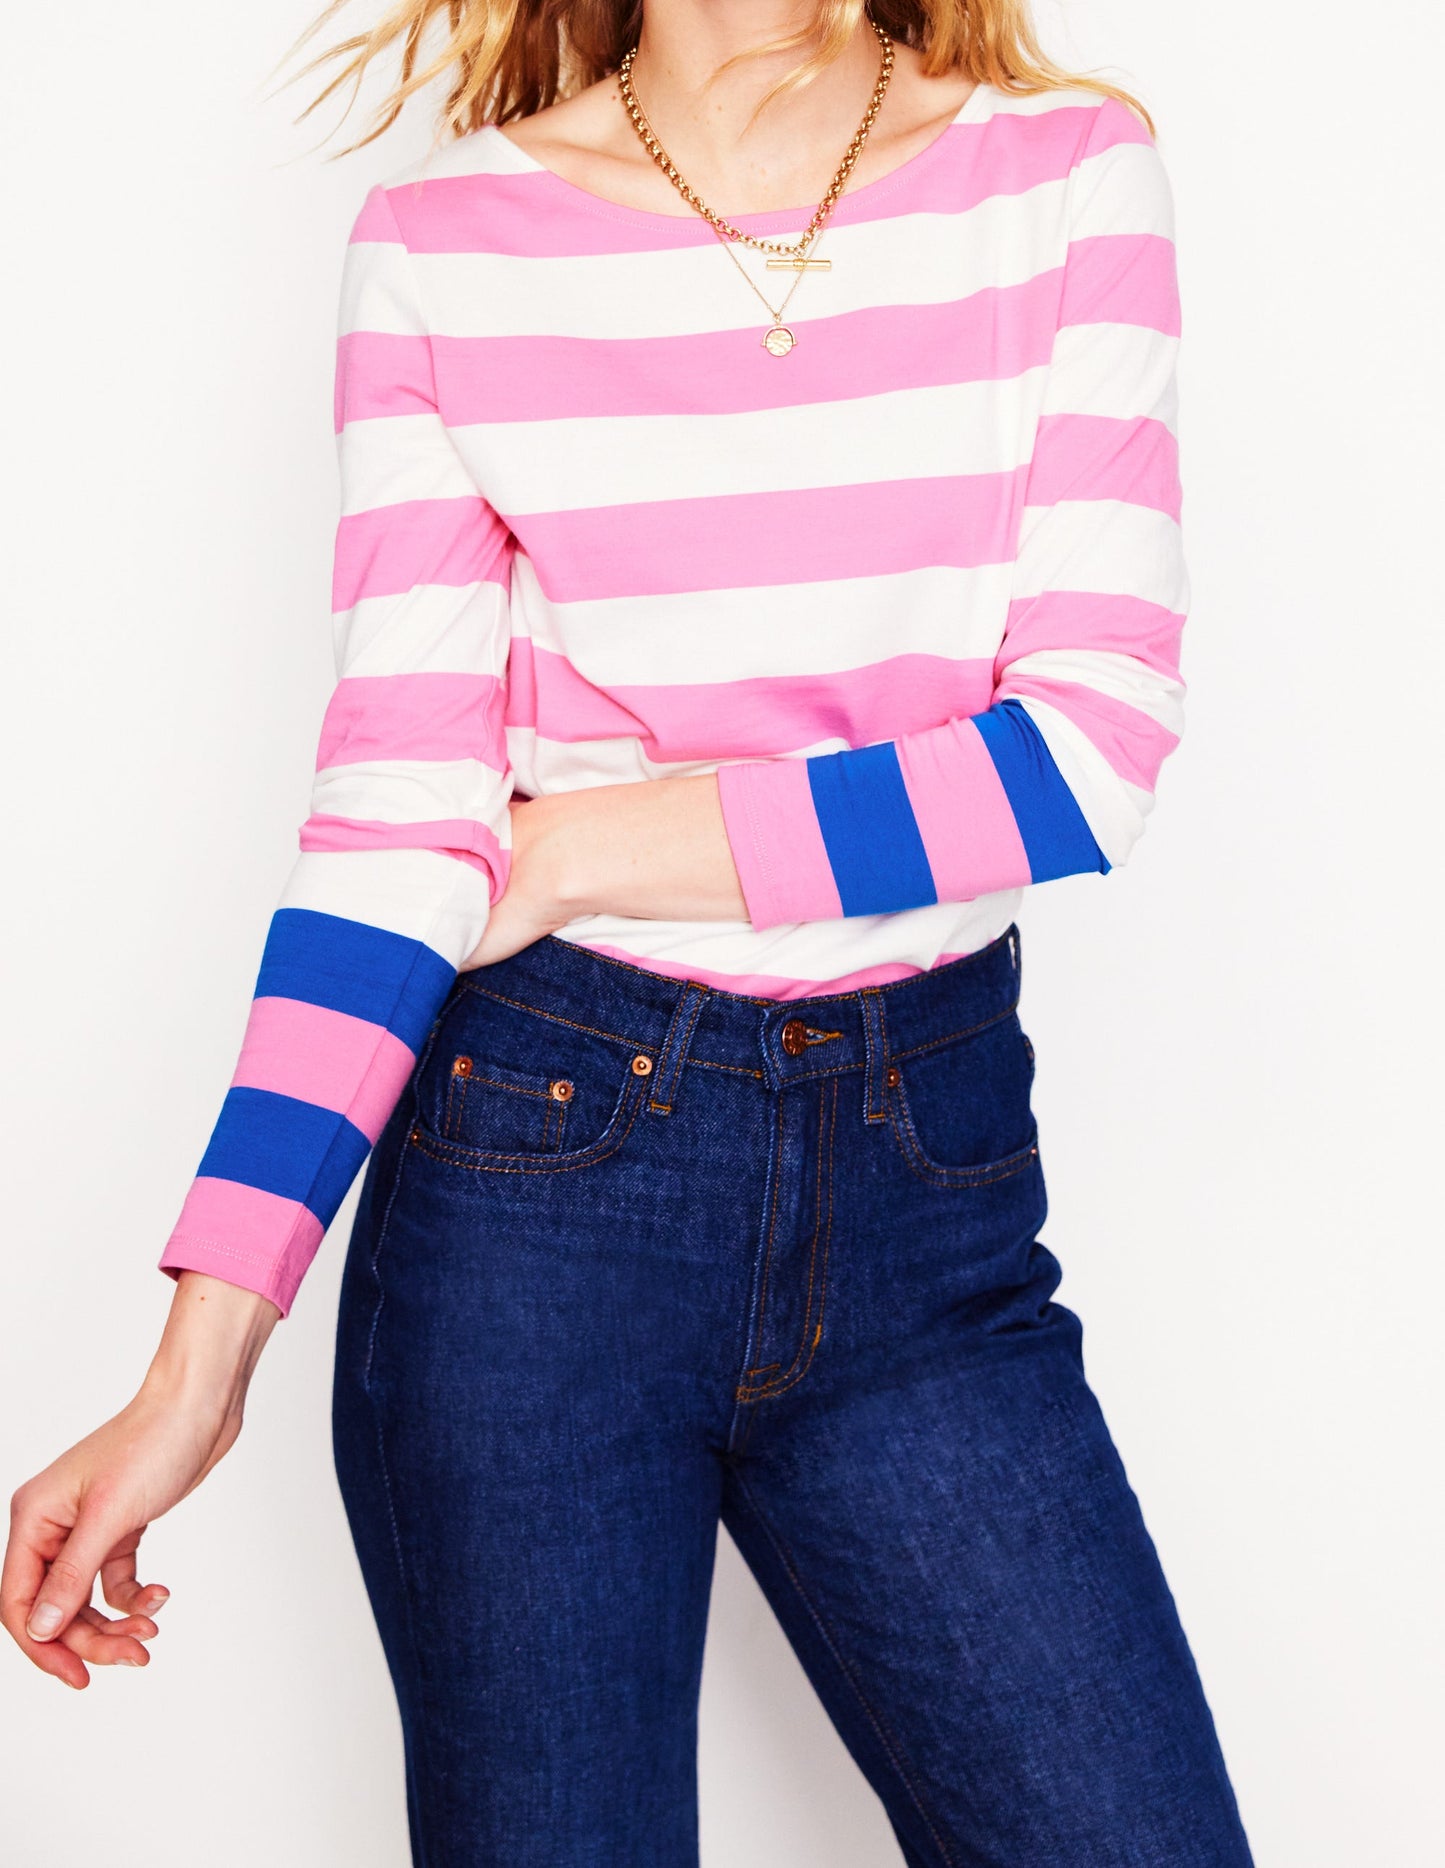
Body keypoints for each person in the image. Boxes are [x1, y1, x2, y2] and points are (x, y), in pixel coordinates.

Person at [3, 2, 1257, 1861]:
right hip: (537, 1198)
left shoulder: (1058, 173)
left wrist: (584, 844)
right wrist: (199, 1368)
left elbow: (1081, 760)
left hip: (929, 1209)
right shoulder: (443, 244)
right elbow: (393, 831)